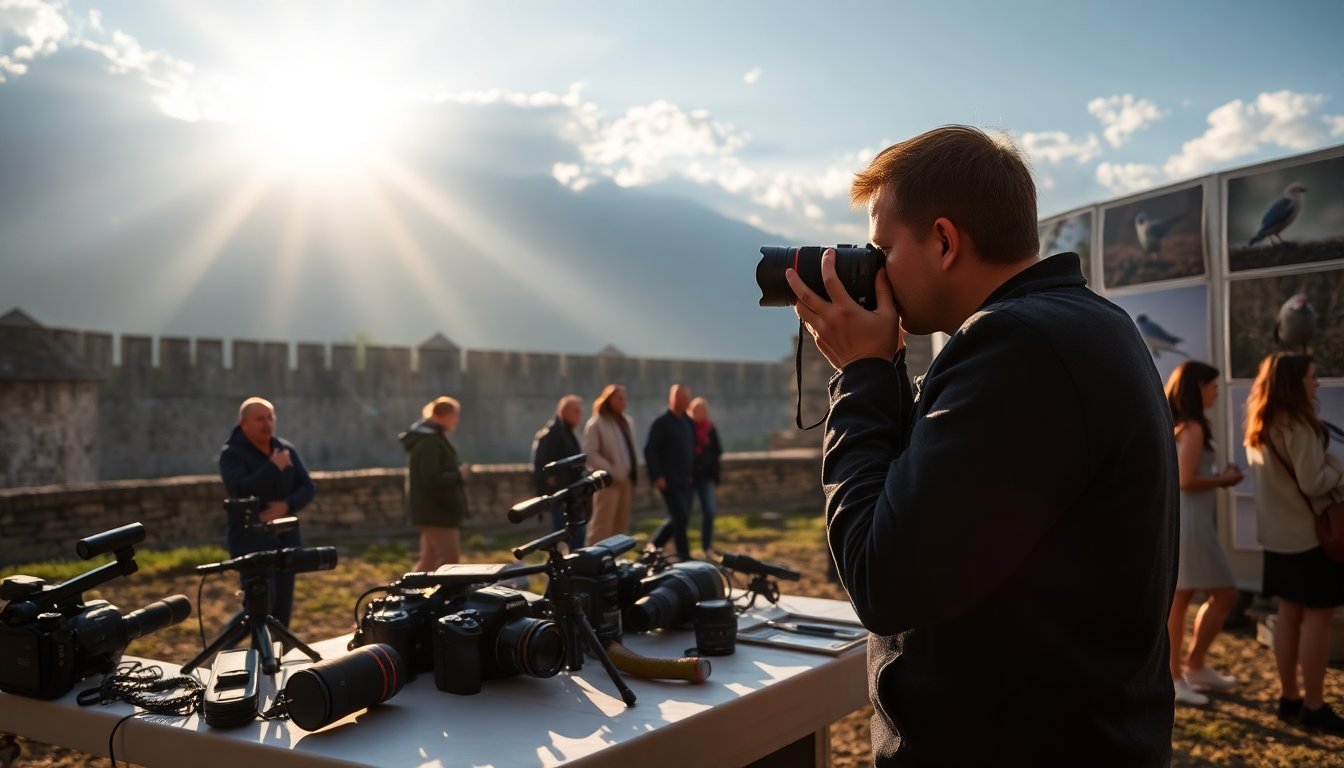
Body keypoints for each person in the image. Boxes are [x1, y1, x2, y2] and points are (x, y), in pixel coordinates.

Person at [785, 125, 1177, 766]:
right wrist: (884, 370)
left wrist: (861, 374)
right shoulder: (1088, 324)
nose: (873, 269)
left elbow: (883, 577)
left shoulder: (1017, 347)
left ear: (944, 241)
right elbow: (946, 511)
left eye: (883, 248)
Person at [1244, 353, 1344, 733]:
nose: (1316, 383)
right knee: (1317, 619)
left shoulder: (1260, 423)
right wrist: (1339, 468)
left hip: (1278, 538)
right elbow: (1314, 482)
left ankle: (1289, 698)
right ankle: (1314, 706)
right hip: (1311, 538)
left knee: (1287, 614)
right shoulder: (1299, 425)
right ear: (1294, 381)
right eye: (1311, 377)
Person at [1164, 361, 1244, 707]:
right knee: (1217, 594)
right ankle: (1179, 673)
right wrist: (1224, 479)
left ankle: (1189, 667)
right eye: (1212, 387)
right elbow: (1185, 480)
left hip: (1189, 522)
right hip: (1192, 524)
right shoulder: (1193, 427)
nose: (1216, 393)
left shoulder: (1183, 425)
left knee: (1185, 600)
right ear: (1198, 388)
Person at [218, 396, 315, 628]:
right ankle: (224, 644)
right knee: (260, 607)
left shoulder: (284, 449)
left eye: (270, 418)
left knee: (282, 611)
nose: (267, 424)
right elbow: (240, 489)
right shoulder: (232, 454)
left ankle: (277, 651)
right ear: (244, 424)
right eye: (260, 419)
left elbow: (308, 487)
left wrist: (287, 505)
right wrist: (273, 467)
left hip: (286, 540)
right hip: (251, 542)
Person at [400, 396, 471, 572]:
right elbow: (431, 478)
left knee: (429, 561)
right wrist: (459, 474)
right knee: (450, 561)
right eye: (455, 415)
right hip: (436, 512)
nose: (457, 420)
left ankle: (411, 589)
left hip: (432, 511)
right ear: (443, 415)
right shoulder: (429, 442)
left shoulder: (431, 438)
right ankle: (439, 591)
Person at [582, 384, 637, 545]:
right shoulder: (596, 423)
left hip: (626, 481)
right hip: (607, 483)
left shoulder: (626, 422)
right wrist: (610, 470)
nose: (622, 402)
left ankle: (615, 557)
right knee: (601, 526)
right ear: (608, 400)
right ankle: (594, 557)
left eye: (624, 399)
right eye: (619, 398)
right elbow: (590, 453)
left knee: (620, 527)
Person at [645, 384, 696, 561]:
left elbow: (690, 449)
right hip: (668, 480)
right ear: (672, 399)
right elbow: (650, 451)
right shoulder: (661, 423)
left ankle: (653, 547)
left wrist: (691, 473)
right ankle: (684, 557)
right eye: (682, 398)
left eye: (687, 398)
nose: (685, 402)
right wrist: (657, 476)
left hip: (685, 480)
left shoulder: (687, 422)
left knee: (680, 518)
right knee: (679, 518)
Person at [531, 394, 586, 545]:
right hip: (560, 495)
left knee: (575, 534)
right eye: (576, 411)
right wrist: (555, 482)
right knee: (562, 535)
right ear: (564, 412)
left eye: (580, 411)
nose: (579, 415)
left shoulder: (569, 432)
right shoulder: (551, 434)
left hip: (572, 493)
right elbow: (541, 468)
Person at [688, 396, 723, 560]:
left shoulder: (710, 427)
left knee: (709, 511)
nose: (701, 414)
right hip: (690, 477)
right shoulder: (687, 427)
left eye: (703, 411)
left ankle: (706, 546)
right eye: (698, 411)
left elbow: (717, 450)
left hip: (706, 476)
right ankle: (665, 544)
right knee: (682, 514)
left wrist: (706, 463)